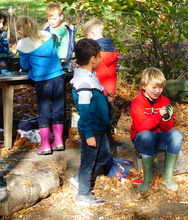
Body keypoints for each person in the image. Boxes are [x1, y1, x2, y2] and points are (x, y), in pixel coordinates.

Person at [16, 17, 65, 155]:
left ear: (21, 30)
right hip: (58, 77)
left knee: (44, 111)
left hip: (43, 80)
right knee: (58, 109)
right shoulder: (48, 36)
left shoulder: (23, 43)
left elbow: (24, 65)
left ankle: (45, 145)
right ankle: (59, 141)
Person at [70, 38, 111, 205]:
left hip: (99, 126)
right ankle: (83, 195)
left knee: (104, 156)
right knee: (88, 162)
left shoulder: (89, 76)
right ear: (93, 59)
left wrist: (105, 94)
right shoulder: (84, 82)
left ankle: (79, 179)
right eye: (99, 56)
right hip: (91, 128)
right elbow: (84, 110)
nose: (100, 59)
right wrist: (88, 134)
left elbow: (96, 94)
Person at [130, 67, 183, 192]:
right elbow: (140, 127)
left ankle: (168, 176)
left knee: (177, 134)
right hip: (142, 139)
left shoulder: (165, 101)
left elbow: (167, 129)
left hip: (159, 137)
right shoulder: (137, 102)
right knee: (147, 135)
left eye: (160, 88)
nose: (157, 91)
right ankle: (147, 178)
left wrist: (166, 118)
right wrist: (158, 115)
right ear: (144, 86)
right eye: (154, 87)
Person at [83, 18, 118, 145]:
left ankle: (101, 140)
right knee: (107, 112)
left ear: (92, 34)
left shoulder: (95, 50)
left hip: (99, 87)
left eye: (87, 35)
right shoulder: (112, 47)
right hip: (110, 86)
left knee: (98, 115)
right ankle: (107, 137)